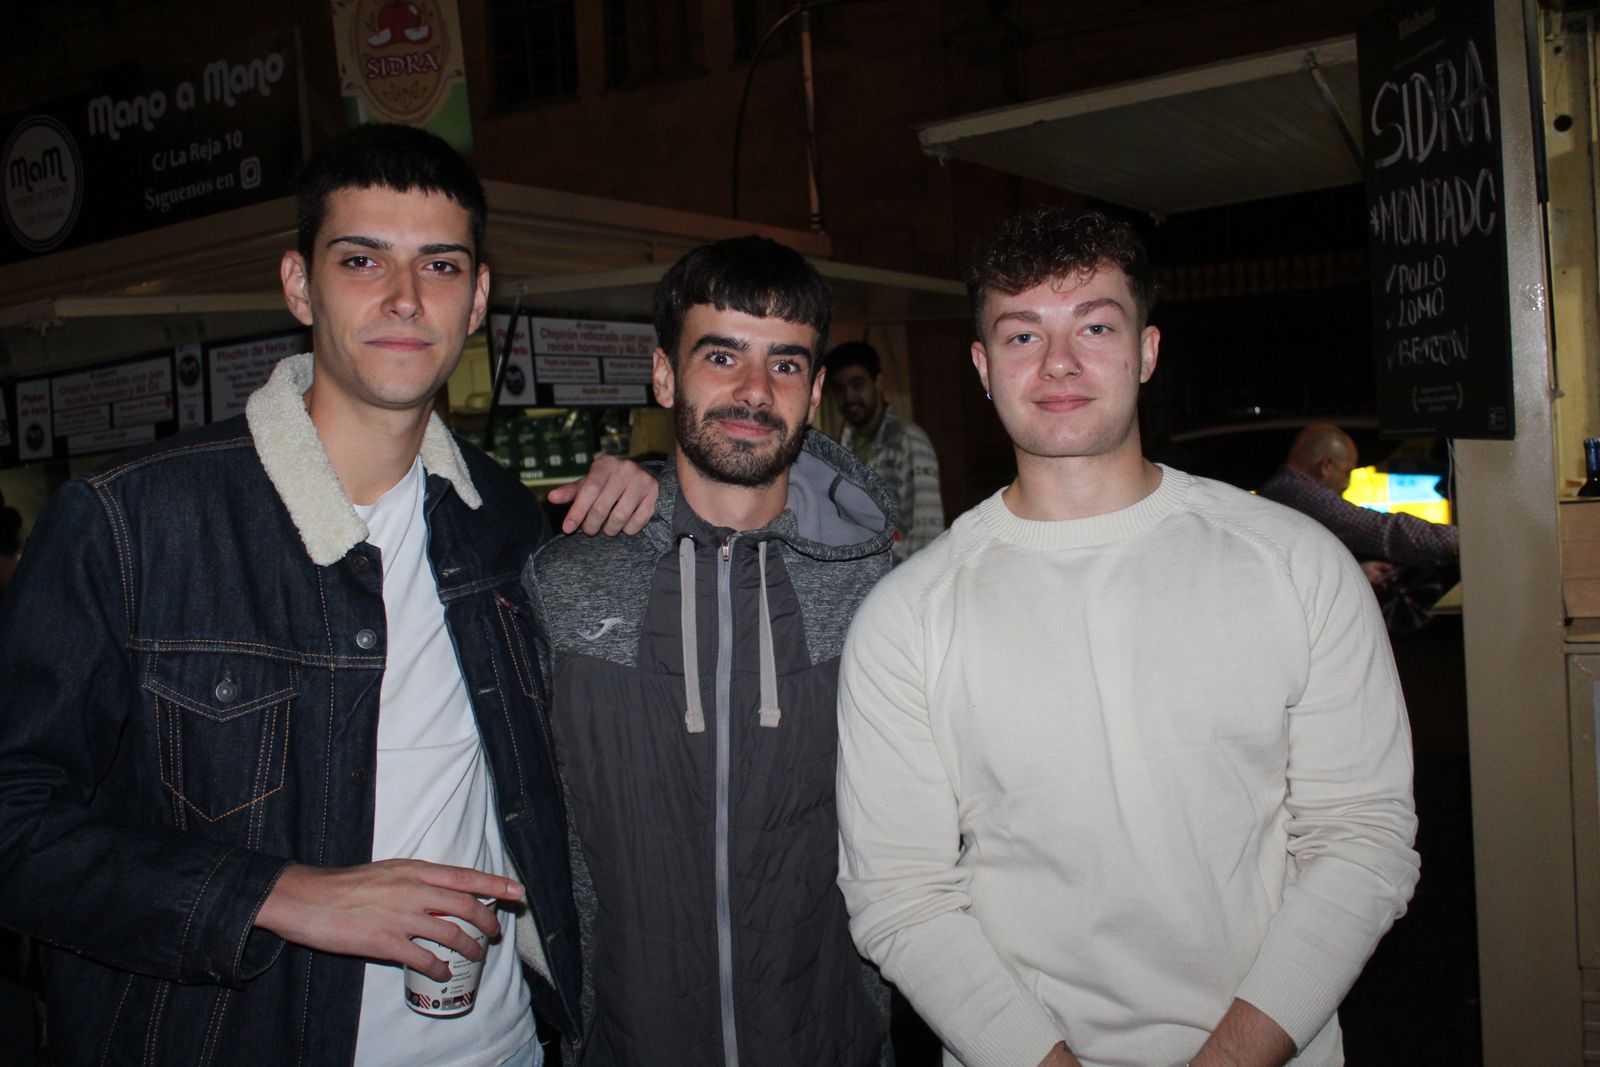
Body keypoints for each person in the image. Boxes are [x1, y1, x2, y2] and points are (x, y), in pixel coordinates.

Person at [0, 123, 660, 1067]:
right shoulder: (133, 523)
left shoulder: (504, 523)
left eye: (439, 264)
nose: (403, 296)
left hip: (503, 1045)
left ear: (476, 300)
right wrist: (274, 893)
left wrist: (655, 491)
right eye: (362, 259)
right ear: (299, 284)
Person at [835, 207, 1420, 1067]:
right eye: (1022, 334)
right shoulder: (908, 616)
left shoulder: (1296, 565)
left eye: (1095, 325)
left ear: (1146, 350)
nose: (1059, 363)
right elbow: (901, 896)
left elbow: (1362, 837)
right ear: (982, 367)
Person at [527, 236, 895, 1066]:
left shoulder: (879, 594)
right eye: (722, 355)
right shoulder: (563, 586)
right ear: (665, 375)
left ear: (816, 392)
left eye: (787, 364)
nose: (754, 391)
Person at [1257, 422, 1458, 589]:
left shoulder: (1279, 490)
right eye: (1347, 472)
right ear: (1326, 465)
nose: (1346, 484)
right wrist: (1455, 541)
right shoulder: (1296, 493)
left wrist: (1357, 571)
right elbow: (1379, 529)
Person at [825, 340, 945, 560]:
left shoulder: (908, 441)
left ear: (878, 382)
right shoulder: (844, 445)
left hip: (902, 583)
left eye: (857, 384)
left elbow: (927, 533)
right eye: (839, 388)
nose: (849, 397)